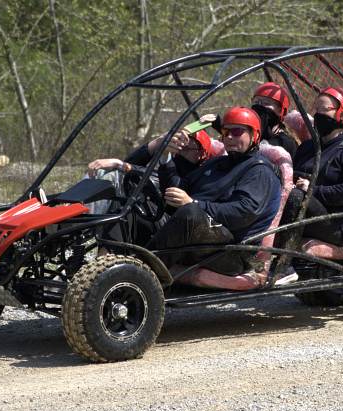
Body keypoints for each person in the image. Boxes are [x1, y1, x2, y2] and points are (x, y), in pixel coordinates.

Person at [148, 106, 282, 276]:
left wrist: (194, 204)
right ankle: (110, 258)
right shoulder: (216, 163)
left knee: (191, 212)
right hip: (199, 239)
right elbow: (179, 191)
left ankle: (142, 272)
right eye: (226, 132)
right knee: (140, 203)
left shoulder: (259, 171)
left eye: (237, 132)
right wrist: (166, 157)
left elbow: (244, 212)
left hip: (231, 251)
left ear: (254, 135)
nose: (230, 137)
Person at [276, 87, 343, 250]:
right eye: (317, 110)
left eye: (325, 110)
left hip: (338, 223)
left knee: (297, 197)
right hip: (308, 211)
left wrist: (312, 189)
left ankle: (283, 263)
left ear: (342, 114)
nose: (318, 115)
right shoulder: (308, 146)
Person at [84, 128, 215, 215]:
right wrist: (160, 141)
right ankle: (72, 209)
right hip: (147, 207)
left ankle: (79, 220)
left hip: (162, 216)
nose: (180, 151)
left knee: (115, 176)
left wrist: (121, 165)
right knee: (101, 171)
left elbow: (159, 179)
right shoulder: (170, 162)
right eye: (179, 147)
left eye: (186, 149)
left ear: (201, 154)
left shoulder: (198, 175)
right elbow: (144, 169)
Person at [203, 82, 298, 157]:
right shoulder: (253, 133)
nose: (259, 106)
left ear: (280, 110)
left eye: (266, 103)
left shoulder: (285, 142)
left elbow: (251, 150)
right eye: (257, 102)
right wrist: (220, 125)